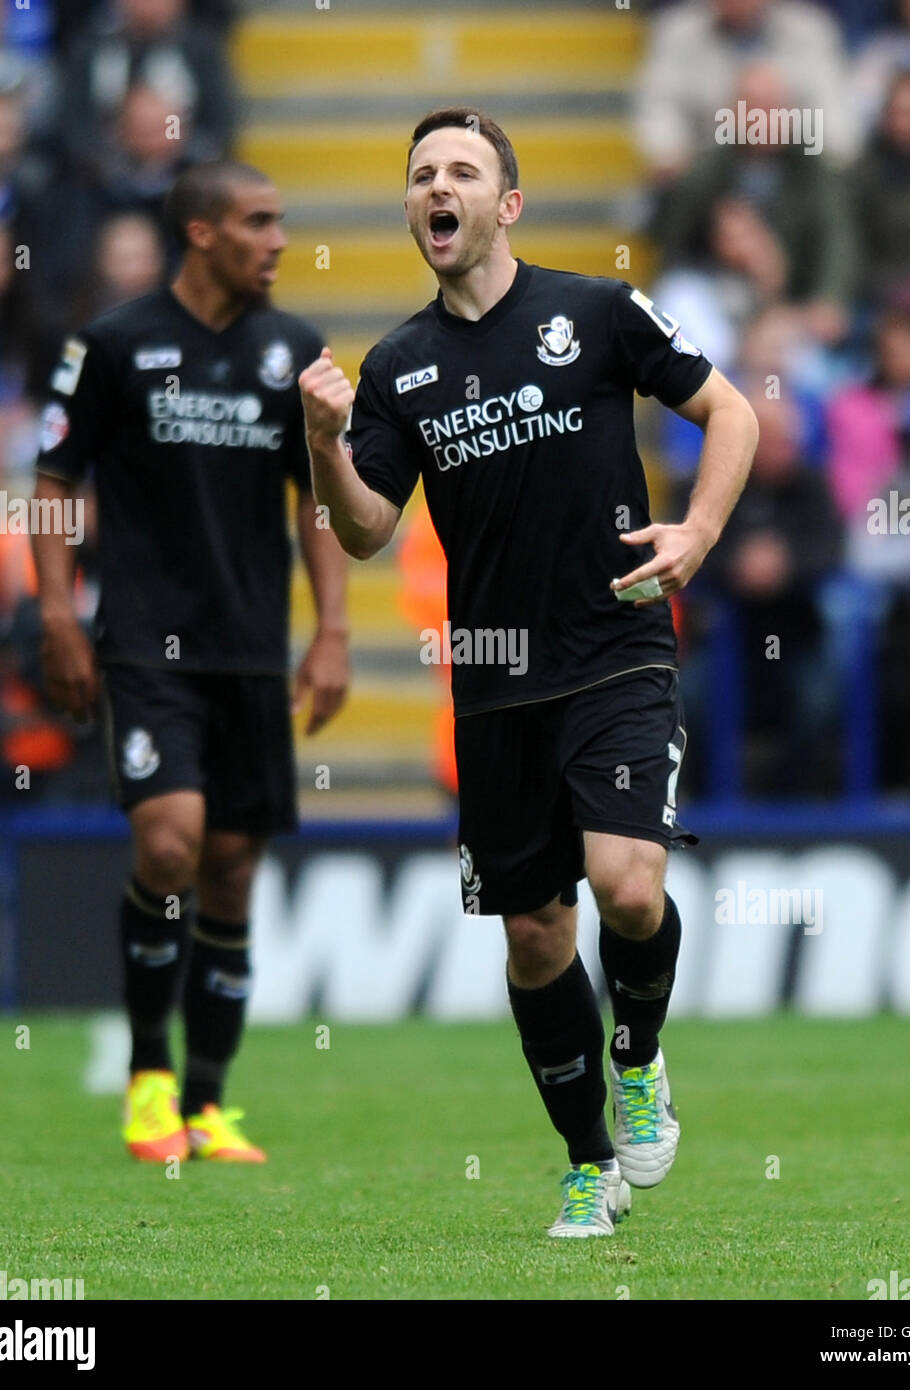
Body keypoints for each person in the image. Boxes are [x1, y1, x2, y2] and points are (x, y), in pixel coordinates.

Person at [299, 108, 757, 1236]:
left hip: (617, 649)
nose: (435, 188)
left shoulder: (594, 313)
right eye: (418, 176)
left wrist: (695, 532)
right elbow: (362, 531)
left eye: (460, 171)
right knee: (533, 934)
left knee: (629, 885)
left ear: (506, 203)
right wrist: (321, 441)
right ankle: (585, 1161)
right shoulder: (398, 369)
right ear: (409, 211)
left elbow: (729, 410)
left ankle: (638, 1056)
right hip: (494, 683)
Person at [31, 160, 349, 1164]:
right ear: (202, 232)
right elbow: (51, 480)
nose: (278, 239)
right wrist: (56, 614)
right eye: (259, 221)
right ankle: (146, 1079)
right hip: (144, 647)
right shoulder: (114, 345)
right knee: (169, 843)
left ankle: (208, 1104)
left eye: (281, 220)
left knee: (231, 869)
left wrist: (332, 631)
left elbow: (322, 504)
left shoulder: (293, 352)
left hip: (251, 652)